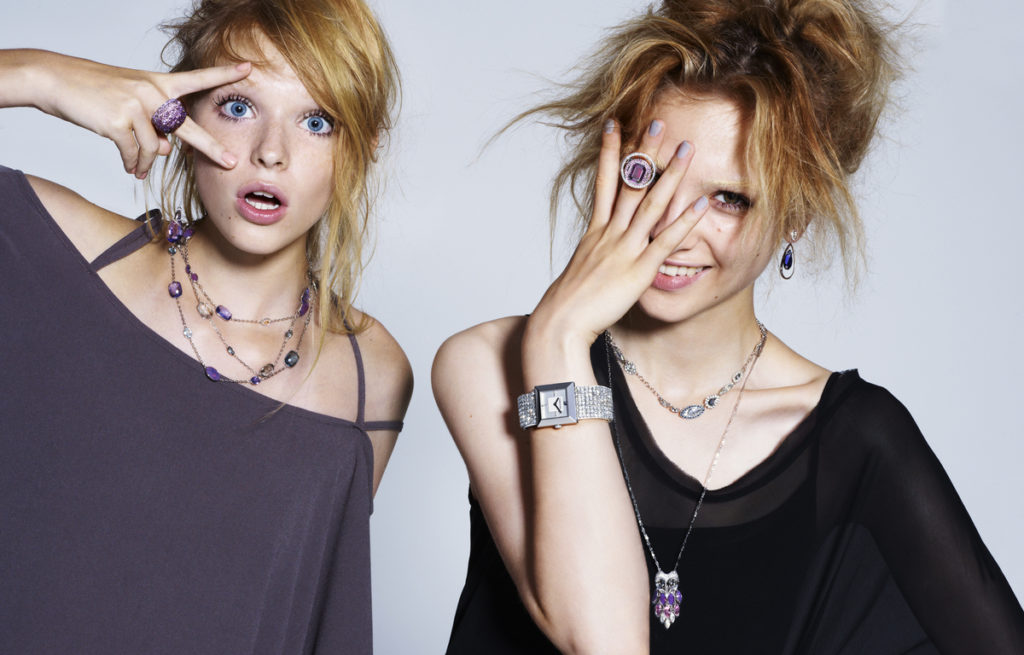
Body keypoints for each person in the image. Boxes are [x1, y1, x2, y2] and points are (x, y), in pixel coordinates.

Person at [433, 0, 1024, 653]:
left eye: (728, 198)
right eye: (649, 176)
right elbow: (600, 639)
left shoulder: (856, 437)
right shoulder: (490, 363)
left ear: (795, 216)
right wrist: (557, 338)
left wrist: (557, 336)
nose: (673, 228)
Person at [0, 0, 411, 652]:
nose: (270, 153)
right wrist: (40, 77)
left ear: (363, 148)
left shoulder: (372, 374)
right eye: (238, 107)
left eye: (317, 121)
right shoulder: (48, 250)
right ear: (180, 110)